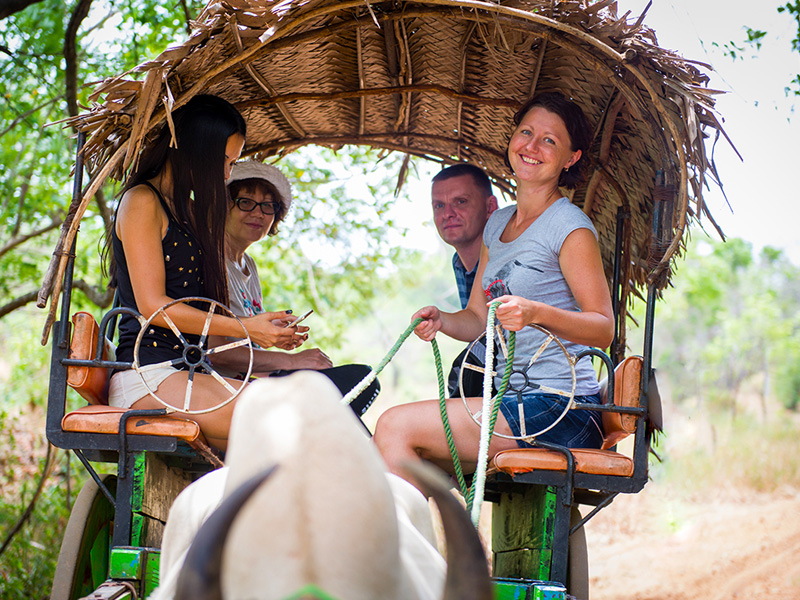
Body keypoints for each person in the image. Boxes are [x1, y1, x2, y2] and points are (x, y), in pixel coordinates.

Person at [373, 92, 614, 484]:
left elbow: (604, 328)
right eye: (526, 132)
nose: (532, 146)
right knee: (384, 446)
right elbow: (476, 318)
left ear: (570, 158)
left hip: (563, 407)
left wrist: (535, 313)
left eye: (550, 140)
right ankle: (429, 541)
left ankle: (404, 544)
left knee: (395, 426)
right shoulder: (497, 224)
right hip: (514, 400)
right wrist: (442, 320)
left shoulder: (570, 228)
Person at [107, 94, 307, 451]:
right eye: (224, 161)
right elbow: (155, 306)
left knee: (305, 415)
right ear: (194, 149)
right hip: (147, 378)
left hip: (189, 375)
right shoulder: (142, 201)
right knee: (287, 419)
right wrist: (248, 329)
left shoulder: (186, 212)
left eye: (233, 162)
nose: (228, 173)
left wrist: (262, 326)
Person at [207, 160, 380, 418]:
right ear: (223, 206)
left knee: (362, 379)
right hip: (217, 387)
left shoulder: (248, 266)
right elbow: (217, 352)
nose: (258, 213)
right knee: (343, 389)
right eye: (246, 202)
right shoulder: (210, 259)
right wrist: (293, 362)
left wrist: (276, 335)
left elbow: (248, 340)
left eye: (268, 206)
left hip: (248, 381)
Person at [430, 164, 498, 398]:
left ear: (490, 207)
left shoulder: (504, 257)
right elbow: (478, 326)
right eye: (439, 205)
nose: (447, 213)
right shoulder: (459, 263)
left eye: (460, 202)